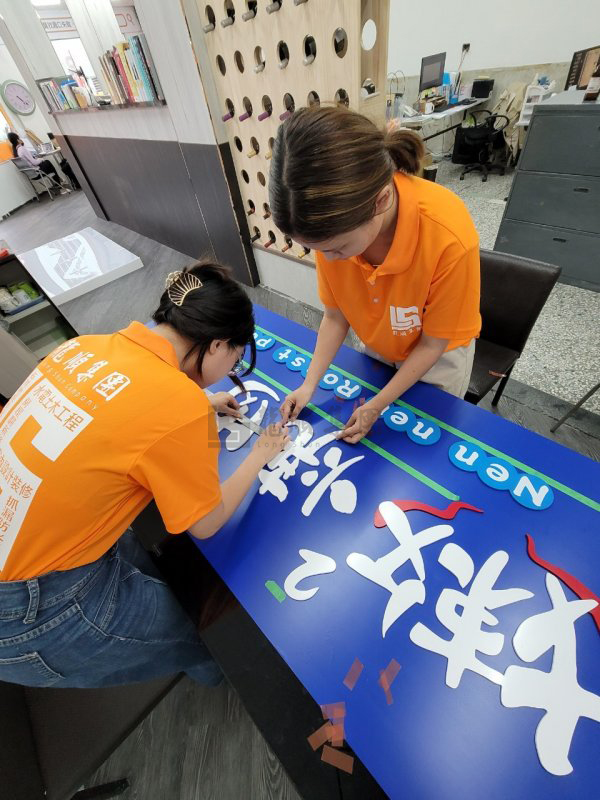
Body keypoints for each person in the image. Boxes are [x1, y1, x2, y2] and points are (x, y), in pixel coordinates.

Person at [0, 264, 289, 688]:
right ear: (218, 345)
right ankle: (225, 680)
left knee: (151, 561)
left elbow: (110, 409)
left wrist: (200, 404)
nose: (233, 367)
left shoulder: (82, 347)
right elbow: (206, 523)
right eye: (236, 357)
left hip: (26, 554)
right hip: (31, 607)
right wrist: (259, 455)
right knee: (199, 630)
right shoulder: (180, 404)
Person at [270, 106, 481, 443]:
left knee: (423, 446)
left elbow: (433, 344)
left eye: (337, 248)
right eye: (317, 249)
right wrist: (309, 385)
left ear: (381, 200)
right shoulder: (331, 225)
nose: (328, 258)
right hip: (381, 341)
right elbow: (335, 316)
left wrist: (377, 405)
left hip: (437, 359)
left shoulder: (448, 236)